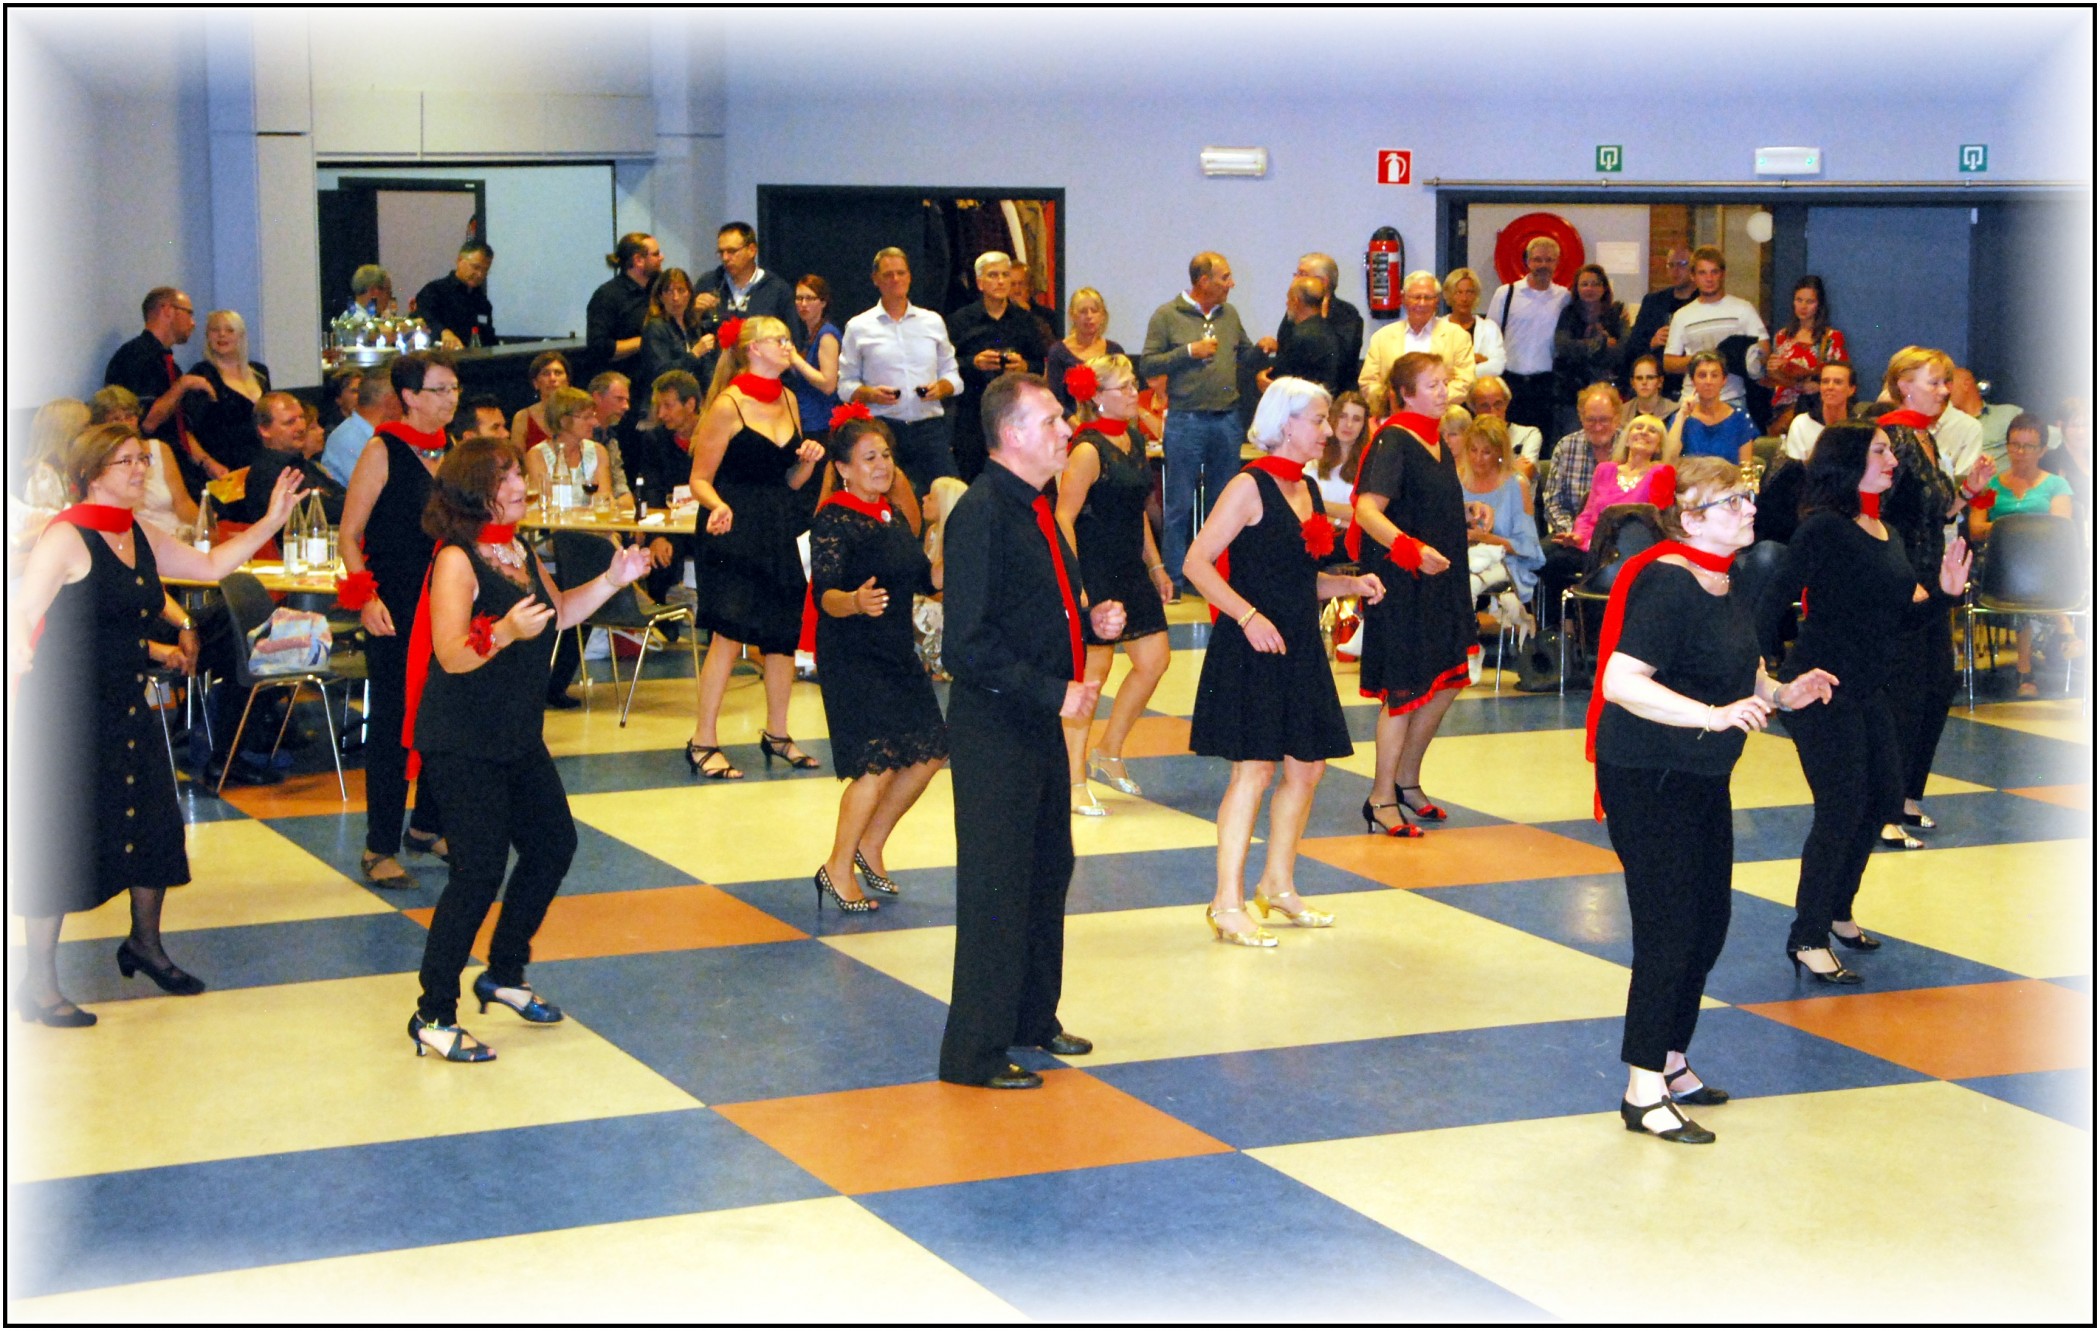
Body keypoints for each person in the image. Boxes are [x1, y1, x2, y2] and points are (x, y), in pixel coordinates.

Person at [9, 425, 307, 1025]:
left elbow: (211, 564)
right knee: (62, 842)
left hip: (124, 703)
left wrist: (271, 521)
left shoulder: (135, 531)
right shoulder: (66, 536)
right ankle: (36, 980)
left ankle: (145, 945)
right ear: (92, 473)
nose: (141, 470)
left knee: (152, 825)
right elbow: (21, 612)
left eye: (142, 459)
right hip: (66, 712)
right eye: (126, 462)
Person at [1593, 455, 1839, 1140]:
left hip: (1701, 773)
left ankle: (1672, 1060)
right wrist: (1711, 715)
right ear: (1690, 518)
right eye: (1731, 501)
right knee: (1669, 926)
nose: (1749, 508)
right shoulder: (1668, 583)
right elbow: (1620, 682)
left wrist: (1781, 692)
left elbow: (1740, 666)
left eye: (1748, 497)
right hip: (1648, 772)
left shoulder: (1725, 580)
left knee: (1709, 922)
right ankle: (1641, 1089)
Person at [404, 436, 653, 1062]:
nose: (521, 484)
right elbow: (450, 654)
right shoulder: (456, 560)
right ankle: (433, 1013)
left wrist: (613, 579)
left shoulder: (517, 549)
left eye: (518, 473)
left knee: (553, 846)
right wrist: (506, 632)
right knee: (478, 871)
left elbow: (560, 612)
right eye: (507, 476)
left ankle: (504, 971)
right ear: (476, 491)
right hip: (462, 738)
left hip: (515, 733)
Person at [940, 372, 1123, 1089]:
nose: (1066, 430)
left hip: (1036, 722)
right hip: (995, 726)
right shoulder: (981, 513)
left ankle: (1030, 1016)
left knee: (1047, 870)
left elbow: (1036, 607)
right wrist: (1055, 690)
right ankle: (974, 1052)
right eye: (1050, 421)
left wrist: (1090, 622)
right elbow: (967, 644)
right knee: (996, 887)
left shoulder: (1037, 508)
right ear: (1011, 434)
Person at [1760, 424, 1968, 986]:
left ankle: (1838, 910)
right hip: (1821, 688)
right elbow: (1773, 598)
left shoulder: (1885, 532)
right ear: (1849, 462)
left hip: (1868, 688)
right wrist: (1760, 677)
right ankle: (1808, 937)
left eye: (1891, 451)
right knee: (1841, 808)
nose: (1892, 460)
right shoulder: (1822, 529)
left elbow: (1900, 621)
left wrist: (1946, 594)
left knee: (1882, 800)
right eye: (1880, 450)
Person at [1183, 377, 1384, 945]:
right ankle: (1226, 902)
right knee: (1254, 769)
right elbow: (1196, 562)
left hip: (1297, 643)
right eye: (1318, 419)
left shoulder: (1307, 489)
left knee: (1307, 767)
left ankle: (1277, 882)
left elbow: (1298, 579)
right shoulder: (1248, 486)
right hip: (1253, 645)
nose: (1328, 430)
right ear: (1285, 423)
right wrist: (1247, 616)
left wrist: (1349, 584)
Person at [809, 412, 949, 911]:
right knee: (876, 764)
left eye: (886, 455)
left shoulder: (891, 515)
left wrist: (960, 550)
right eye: (869, 458)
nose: (882, 465)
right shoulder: (833, 518)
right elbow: (824, 595)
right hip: (852, 655)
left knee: (931, 751)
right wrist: (855, 601)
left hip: (894, 652)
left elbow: (924, 579)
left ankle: (870, 843)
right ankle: (837, 866)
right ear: (843, 468)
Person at [683, 317, 828, 779]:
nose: (788, 346)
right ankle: (703, 740)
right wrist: (718, 505)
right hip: (731, 524)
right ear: (753, 349)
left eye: (788, 338)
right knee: (728, 631)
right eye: (778, 340)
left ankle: (778, 733)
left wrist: (808, 463)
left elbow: (790, 481)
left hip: (778, 522)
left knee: (782, 633)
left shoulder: (788, 398)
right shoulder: (727, 405)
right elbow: (699, 479)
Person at [337, 351, 460, 889]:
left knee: (444, 713)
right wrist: (365, 596)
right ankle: (379, 845)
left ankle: (427, 824)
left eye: (454, 388)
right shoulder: (381, 450)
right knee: (391, 723)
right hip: (394, 607)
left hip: (447, 603)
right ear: (409, 397)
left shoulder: (454, 452)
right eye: (439, 389)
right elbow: (349, 534)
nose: (450, 398)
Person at [1876, 347, 1995, 844]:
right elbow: (1874, 511)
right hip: (1901, 580)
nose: (1945, 391)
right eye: (1934, 382)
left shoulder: (1925, 437)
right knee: (1904, 694)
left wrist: (1968, 490)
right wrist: (1899, 574)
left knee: (1936, 687)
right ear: (1904, 384)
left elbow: (1938, 510)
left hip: (1932, 578)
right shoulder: (1890, 437)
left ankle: (1908, 795)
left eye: (1947, 382)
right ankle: (1883, 806)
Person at [1351, 352, 1471, 836]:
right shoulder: (1394, 439)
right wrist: (1411, 548)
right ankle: (1381, 796)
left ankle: (1406, 779)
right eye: (1432, 384)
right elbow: (1366, 511)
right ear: (1406, 393)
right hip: (1402, 580)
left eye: (1445, 382)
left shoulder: (1437, 439)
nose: (1443, 391)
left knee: (1447, 679)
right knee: (1403, 691)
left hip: (1441, 575)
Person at [1056, 356, 1175, 817]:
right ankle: (1073, 779)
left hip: (1130, 567)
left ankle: (1108, 750)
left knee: (1155, 659)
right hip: (1096, 568)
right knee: (1093, 675)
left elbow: (1136, 510)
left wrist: (1156, 566)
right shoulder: (1087, 450)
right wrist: (1077, 582)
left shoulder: (1134, 440)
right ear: (1098, 396)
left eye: (1132, 386)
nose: (1132, 394)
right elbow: (1064, 516)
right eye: (1124, 387)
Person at [1141, 251, 1257, 599]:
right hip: (1186, 420)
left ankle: (1216, 579)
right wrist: (1188, 352)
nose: (1231, 283)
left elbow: (1244, 354)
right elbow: (1148, 365)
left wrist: (1264, 351)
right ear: (1203, 281)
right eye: (1225, 277)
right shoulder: (1167, 315)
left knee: (1224, 504)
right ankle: (1175, 580)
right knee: (1179, 503)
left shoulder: (1229, 314)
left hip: (1227, 419)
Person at [838, 247, 963, 495]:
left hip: (930, 428)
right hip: (883, 429)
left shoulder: (932, 321)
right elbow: (844, 386)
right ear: (875, 279)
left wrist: (941, 388)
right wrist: (871, 394)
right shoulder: (858, 326)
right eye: (888, 274)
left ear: (910, 276)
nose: (895, 279)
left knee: (949, 495)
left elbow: (954, 376)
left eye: (901, 273)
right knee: (890, 499)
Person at [1968, 413, 2075, 697]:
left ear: (2042, 450)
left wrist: (2006, 526)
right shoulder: (1991, 486)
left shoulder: (2056, 485)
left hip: (2044, 562)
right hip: (1998, 562)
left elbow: (2059, 528)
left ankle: (2025, 670)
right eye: (2014, 445)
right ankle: (2064, 629)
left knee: (2031, 570)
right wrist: (2019, 530)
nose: (2020, 452)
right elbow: (1976, 528)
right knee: (2018, 571)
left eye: (2029, 446)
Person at [947, 251, 1051, 483]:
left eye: (1005, 275)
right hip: (972, 413)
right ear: (980, 282)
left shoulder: (1026, 321)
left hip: (1015, 412)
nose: (1001, 281)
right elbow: (946, 367)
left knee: (1016, 477)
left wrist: (1023, 366)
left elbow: (1039, 364)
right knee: (972, 478)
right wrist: (973, 363)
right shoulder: (960, 321)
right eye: (993, 275)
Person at [104, 288, 213, 480]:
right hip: (149, 470)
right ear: (167, 310)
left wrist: (207, 462)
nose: (193, 323)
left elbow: (180, 427)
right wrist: (183, 384)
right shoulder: (134, 358)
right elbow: (148, 422)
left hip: (179, 465)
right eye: (189, 313)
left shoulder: (169, 363)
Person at [1456, 413, 1546, 621]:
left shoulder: (1516, 484)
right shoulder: (1456, 479)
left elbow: (1528, 547)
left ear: (1499, 452)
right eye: (1473, 450)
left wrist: (1486, 539)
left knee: (1467, 584)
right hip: (1460, 557)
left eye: (1486, 452)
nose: (1478, 458)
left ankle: (1465, 638)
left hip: (1506, 561)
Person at [1486, 236, 1571, 441]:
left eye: (1549, 260)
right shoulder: (1506, 294)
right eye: (1537, 259)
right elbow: (1490, 336)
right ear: (1527, 261)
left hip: (1546, 386)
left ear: (1557, 263)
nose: (1543, 265)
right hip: (1510, 383)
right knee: (1506, 441)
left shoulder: (1564, 297)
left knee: (1543, 442)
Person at [1663, 246, 1768, 411]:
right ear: (1693, 276)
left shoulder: (1743, 309)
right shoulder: (1682, 315)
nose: (1709, 278)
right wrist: (1702, 359)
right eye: (1702, 273)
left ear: (1722, 274)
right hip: (1693, 400)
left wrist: (1743, 358)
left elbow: (1763, 348)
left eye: (1714, 272)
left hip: (1731, 399)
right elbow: (1669, 362)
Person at [86, 387, 196, 536]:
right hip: (137, 538)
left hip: (177, 534)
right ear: (102, 425)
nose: (125, 424)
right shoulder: (102, 462)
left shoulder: (160, 449)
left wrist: (205, 527)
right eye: (116, 419)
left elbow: (183, 503)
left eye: (129, 416)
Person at [1359, 271, 1473, 413]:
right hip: (1394, 415)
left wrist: (1427, 402)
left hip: (1442, 417)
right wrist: (1395, 402)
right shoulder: (1382, 337)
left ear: (1437, 301)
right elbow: (1368, 382)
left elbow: (1465, 382)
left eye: (1428, 298)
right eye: (1416, 297)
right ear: (1403, 299)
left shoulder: (1457, 336)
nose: (1422, 303)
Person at [183, 310, 270, 483]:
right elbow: (186, 430)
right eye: (215, 330)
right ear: (207, 336)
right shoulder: (201, 375)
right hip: (222, 469)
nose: (222, 335)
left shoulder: (260, 373)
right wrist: (208, 463)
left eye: (229, 330)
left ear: (241, 336)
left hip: (261, 465)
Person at [1573, 413, 1676, 551]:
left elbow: (1658, 521)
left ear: (1658, 447)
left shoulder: (1662, 473)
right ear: (1627, 440)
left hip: (1631, 546)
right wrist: (1578, 536)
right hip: (1591, 541)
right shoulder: (1604, 469)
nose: (1644, 432)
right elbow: (1587, 514)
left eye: (1652, 431)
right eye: (1638, 427)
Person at [243, 391, 346, 524]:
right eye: (290, 422)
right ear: (265, 430)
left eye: (302, 418)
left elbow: (341, 494)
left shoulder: (303, 463)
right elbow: (319, 511)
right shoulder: (267, 474)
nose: (301, 427)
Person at [1552, 264, 1628, 436]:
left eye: (1595, 284)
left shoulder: (1617, 313)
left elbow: (1622, 351)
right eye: (1584, 284)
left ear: (1604, 288)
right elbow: (1563, 346)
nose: (1589, 289)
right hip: (1571, 393)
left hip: (1609, 390)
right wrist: (1601, 343)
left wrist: (1582, 346)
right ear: (1576, 288)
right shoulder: (1568, 314)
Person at [1764, 275, 1846, 432]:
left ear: (1819, 305)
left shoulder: (1831, 338)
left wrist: (1818, 386)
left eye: (1810, 302)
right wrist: (1773, 369)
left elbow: (1842, 374)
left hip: (1814, 406)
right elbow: (1773, 375)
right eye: (1799, 300)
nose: (1803, 306)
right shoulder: (1782, 336)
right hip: (1783, 407)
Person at [695, 222, 799, 338]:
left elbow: (792, 338)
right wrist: (694, 313)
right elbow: (687, 335)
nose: (725, 258)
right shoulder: (708, 284)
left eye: (732, 251)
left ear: (752, 250)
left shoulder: (777, 290)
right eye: (721, 252)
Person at [1620, 246, 1697, 398]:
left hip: (1692, 383)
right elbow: (1632, 346)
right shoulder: (1653, 302)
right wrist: (1652, 342)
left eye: (1682, 264)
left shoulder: (1702, 302)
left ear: (1694, 268)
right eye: (1671, 265)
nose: (1676, 270)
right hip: (1657, 386)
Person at [522, 386, 613, 512]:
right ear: (563, 420)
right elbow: (547, 505)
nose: (595, 422)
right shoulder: (537, 455)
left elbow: (604, 501)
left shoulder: (598, 452)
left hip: (590, 523)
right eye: (587, 417)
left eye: (593, 415)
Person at [585, 232, 662, 378]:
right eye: (656, 254)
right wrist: (647, 340)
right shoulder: (607, 296)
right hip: (625, 379)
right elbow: (599, 348)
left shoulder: (658, 289)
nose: (661, 257)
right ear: (638, 260)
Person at [1667, 351, 1759, 462]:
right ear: (1693, 381)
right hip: (1691, 474)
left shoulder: (1740, 417)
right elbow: (1668, 460)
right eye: (1702, 375)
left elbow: (1746, 465)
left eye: (1714, 375)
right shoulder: (1681, 418)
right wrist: (1681, 415)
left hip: (1730, 474)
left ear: (1724, 380)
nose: (1708, 381)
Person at [638, 268, 713, 403]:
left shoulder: (693, 326)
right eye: (668, 291)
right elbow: (661, 373)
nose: (675, 298)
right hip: (662, 403)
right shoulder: (655, 327)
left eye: (681, 290)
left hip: (690, 402)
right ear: (660, 297)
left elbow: (705, 369)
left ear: (690, 294)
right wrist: (694, 354)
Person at [1045, 287, 1124, 415]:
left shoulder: (1115, 350)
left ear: (1102, 316)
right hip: (1072, 423)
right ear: (1072, 315)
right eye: (1083, 311)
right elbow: (1056, 400)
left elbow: (1122, 393)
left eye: (1094, 311)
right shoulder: (1058, 352)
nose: (1089, 316)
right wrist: (1079, 425)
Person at [1261, 277, 1342, 396]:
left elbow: (1281, 378)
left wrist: (1261, 377)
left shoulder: (1299, 336)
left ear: (1296, 301)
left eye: (1289, 298)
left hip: (1301, 400)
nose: (1286, 303)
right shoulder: (1328, 329)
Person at [320, 371, 399, 487]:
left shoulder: (385, 433)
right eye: (401, 398)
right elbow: (376, 489)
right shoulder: (348, 438)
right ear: (390, 401)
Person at [413, 241, 496, 350]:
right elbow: (423, 319)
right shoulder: (434, 291)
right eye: (475, 267)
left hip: (475, 358)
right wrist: (444, 332)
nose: (480, 274)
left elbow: (489, 339)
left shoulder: (483, 302)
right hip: (441, 357)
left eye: (485, 270)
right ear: (459, 260)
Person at [787, 275, 842, 437]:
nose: (803, 304)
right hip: (808, 419)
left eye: (810, 298)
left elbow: (828, 384)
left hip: (821, 422)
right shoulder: (809, 334)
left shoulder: (826, 335)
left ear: (823, 302)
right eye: (799, 298)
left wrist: (796, 359)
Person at [1310, 390, 1371, 520]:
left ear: (1363, 426)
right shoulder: (1313, 456)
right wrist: (1340, 521)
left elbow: (1367, 514)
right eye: (1342, 416)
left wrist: (1318, 504)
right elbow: (1301, 506)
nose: (1349, 424)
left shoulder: (1371, 464)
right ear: (1332, 417)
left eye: (1356, 419)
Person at [1783, 361, 1858, 462]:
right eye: (1825, 382)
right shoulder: (1801, 423)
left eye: (1838, 382)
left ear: (1851, 390)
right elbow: (1794, 468)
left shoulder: (1859, 426)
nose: (1830, 387)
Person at [1468, 375, 1544, 474]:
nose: (1493, 412)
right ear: (1474, 409)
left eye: (1498, 404)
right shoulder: (1467, 439)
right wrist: (1512, 467)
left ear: (1506, 404)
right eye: (1485, 406)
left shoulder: (1528, 434)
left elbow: (1523, 475)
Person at [1441, 267, 1505, 382]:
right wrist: (1473, 360)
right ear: (1449, 295)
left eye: (1469, 292)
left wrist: (1456, 370)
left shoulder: (1489, 328)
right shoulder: (1437, 327)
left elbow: (1497, 366)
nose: (1464, 298)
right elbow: (1434, 368)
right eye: (1458, 292)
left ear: (1476, 295)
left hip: (1480, 389)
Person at [507, 350, 572, 453]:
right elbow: (517, 458)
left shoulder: (581, 413)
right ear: (535, 383)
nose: (552, 378)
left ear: (567, 381)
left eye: (558, 373)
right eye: (546, 374)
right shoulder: (522, 418)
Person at [1619, 354, 1675, 430]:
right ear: (1632, 383)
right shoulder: (1622, 412)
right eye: (1639, 378)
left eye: (1650, 377)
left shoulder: (1674, 412)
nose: (1644, 382)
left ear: (1660, 381)